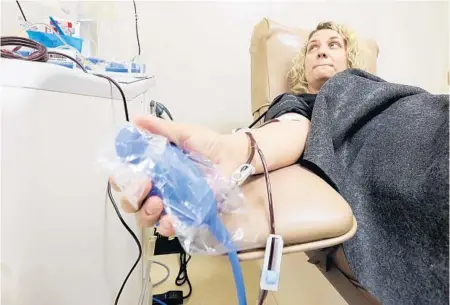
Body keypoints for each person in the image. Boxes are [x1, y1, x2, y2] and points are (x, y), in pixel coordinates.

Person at [113, 21, 449, 305]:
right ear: (302, 66)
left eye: (334, 44)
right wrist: (229, 150)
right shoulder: (300, 102)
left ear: (351, 58)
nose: (321, 50)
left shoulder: (380, 87)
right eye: (313, 47)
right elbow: (291, 130)